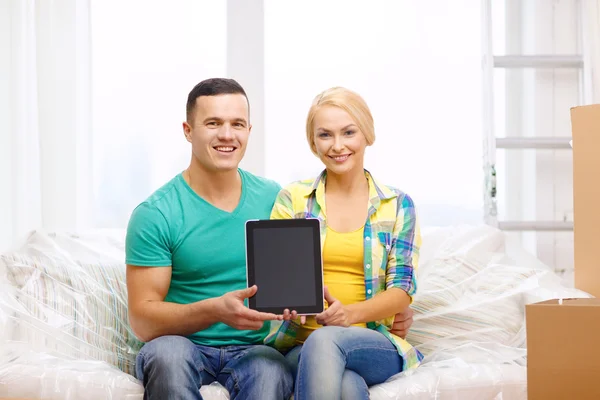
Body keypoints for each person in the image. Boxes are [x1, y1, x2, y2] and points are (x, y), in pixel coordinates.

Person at [125, 78, 294, 400]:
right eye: (213, 123)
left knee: (270, 371)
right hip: (179, 342)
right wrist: (215, 310)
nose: (227, 135)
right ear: (188, 130)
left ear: (249, 130)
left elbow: (302, 274)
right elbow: (144, 322)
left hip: (255, 347)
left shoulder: (275, 199)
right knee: (168, 358)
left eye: (237, 124)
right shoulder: (156, 213)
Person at [266, 86, 424, 399]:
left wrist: (347, 315)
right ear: (314, 142)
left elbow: (402, 290)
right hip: (301, 342)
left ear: (366, 134)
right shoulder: (294, 199)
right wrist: (285, 303)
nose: (337, 146)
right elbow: (278, 280)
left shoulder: (397, 204)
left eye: (348, 132)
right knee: (347, 384)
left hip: (372, 341)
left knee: (327, 341)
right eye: (325, 135)